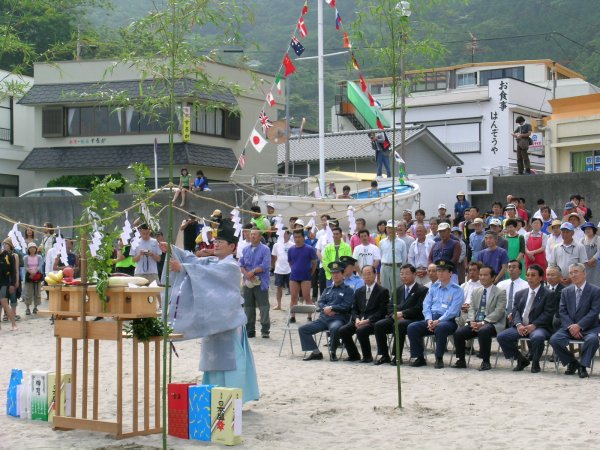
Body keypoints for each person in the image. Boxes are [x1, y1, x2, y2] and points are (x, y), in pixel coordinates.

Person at [163, 220, 259, 403]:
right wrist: (172, 249)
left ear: (232, 246)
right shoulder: (212, 260)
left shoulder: (231, 266)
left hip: (228, 322)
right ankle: (215, 396)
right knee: (212, 361)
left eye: (220, 242)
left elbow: (204, 273)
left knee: (232, 361)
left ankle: (234, 398)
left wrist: (182, 268)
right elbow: (194, 260)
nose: (215, 244)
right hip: (212, 320)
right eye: (215, 241)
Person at [497, 264, 554, 373]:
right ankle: (520, 359)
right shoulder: (520, 293)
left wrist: (534, 325)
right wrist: (518, 324)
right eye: (528, 275)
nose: (530, 278)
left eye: (533, 275)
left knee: (538, 337)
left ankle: (536, 363)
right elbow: (515, 310)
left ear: (541, 278)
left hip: (539, 327)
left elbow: (548, 313)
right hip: (521, 326)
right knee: (502, 337)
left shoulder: (548, 294)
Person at [407, 260, 464, 369]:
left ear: (450, 273)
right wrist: (428, 319)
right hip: (431, 319)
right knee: (412, 327)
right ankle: (419, 357)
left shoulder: (457, 290)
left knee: (441, 328)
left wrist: (438, 321)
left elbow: (453, 311)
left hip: (448, 320)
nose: (440, 273)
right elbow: (426, 305)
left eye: (443, 271)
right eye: (438, 271)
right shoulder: (433, 288)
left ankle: (439, 358)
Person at [549, 263, 600, 378]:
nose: (573, 275)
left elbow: (594, 312)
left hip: (589, 328)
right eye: (571, 273)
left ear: (584, 274)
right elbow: (562, 311)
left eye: (576, 272)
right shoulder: (566, 291)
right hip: (569, 328)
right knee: (554, 340)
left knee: (593, 340)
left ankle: (583, 366)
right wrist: (572, 327)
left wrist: (580, 326)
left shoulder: (595, 291)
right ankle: (572, 362)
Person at [452, 266, 506, 371]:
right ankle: (461, 360)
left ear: (493, 277)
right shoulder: (476, 291)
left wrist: (483, 323)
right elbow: (472, 308)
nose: (482, 277)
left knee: (484, 331)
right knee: (459, 333)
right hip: (476, 322)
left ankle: (485, 361)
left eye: (485, 275)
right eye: (480, 275)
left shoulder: (500, 292)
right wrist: (471, 321)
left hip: (492, 323)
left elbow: (499, 311)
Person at [299, 261, 354, 361]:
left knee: (334, 328)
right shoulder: (327, 289)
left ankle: (332, 352)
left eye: (337, 273)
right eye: (333, 273)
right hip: (324, 319)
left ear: (343, 274)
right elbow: (320, 302)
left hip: (338, 318)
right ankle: (316, 352)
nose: (335, 275)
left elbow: (346, 306)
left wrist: (332, 308)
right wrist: (326, 309)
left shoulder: (348, 290)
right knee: (303, 329)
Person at [373, 264, 427, 365]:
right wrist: (393, 314)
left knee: (399, 325)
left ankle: (397, 356)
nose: (404, 276)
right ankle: (384, 355)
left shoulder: (422, 290)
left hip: (413, 318)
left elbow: (419, 308)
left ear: (414, 274)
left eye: (407, 274)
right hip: (395, 317)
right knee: (379, 325)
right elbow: (389, 305)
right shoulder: (398, 289)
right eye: (401, 274)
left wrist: (403, 313)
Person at [339, 265, 389, 363]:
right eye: (364, 274)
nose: (366, 276)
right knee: (343, 330)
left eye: (369, 274)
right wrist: (357, 319)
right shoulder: (359, 291)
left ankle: (367, 356)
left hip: (374, 321)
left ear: (375, 275)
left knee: (361, 330)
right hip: (359, 320)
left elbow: (382, 311)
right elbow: (354, 309)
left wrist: (367, 321)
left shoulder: (382, 291)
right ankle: (354, 355)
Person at [239, 229, 271, 338]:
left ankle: (265, 330)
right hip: (248, 282)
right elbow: (241, 264)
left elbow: (265, 265)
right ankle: (250, 330)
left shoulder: (265, 249)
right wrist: (246, 273)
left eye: (254, 234)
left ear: (260, 237)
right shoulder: (245, 249)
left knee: (264, 307)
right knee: (248, 307)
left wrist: (252, 272)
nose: (252, 236)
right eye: (251, 234)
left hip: (261, 281)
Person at [287, 229, 318, 320]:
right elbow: (290, 262)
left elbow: (314, 262)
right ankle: (293, 316)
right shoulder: (291, 249)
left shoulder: (309, 249)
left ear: (303, 237)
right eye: (295, 237)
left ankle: (309, 316)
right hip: (294, 276)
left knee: (307, 296)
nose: (297, 239)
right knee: (293, 297)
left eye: (299, 237)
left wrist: (311, 272)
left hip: (306, 276)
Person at [497, 260, 529, 325]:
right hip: (501, 315)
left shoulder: (526, 285)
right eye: (509, 267)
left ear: (520, 271)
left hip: (517, 316)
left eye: (514, 267)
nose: (511, 269)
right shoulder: (500, 284)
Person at [379, 221, 407, 294]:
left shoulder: (401, 242)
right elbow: (381, 255)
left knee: (397, 289)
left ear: (395, 229)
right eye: (388, 228)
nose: (390, 230)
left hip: (396, 267)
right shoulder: (382, 242)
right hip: (385, 267)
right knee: (384, 289)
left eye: (392, 228)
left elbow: (404, 258)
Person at [271, 228, 293, 311]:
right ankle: (279, 304)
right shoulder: (276, 245)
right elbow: (274, 257)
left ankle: (293, 304)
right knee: (278, 288)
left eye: (285, 233)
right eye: (281, 233)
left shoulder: (292, 245)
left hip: (290, 269)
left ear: (288, 234)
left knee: (292, 288)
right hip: (279, 269)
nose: (283, 235)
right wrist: (274, 267)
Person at [0, 238, 18, 331]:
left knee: (4, 302)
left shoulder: (7, 256)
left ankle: (14, 324)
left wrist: (12, 284)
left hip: (4, 283)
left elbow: (13, 271)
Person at [458, 261, 482, 327]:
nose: (471, 272)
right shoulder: (463, 286)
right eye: (470, 270)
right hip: (461, 311)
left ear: (480, 271)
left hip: (475, 313)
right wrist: (461, 306)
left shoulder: (483, 286)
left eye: (474, 270)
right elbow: (456, 301)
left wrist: (470, 308)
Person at [22, 242, 43, 315]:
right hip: (29, 275)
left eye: (34, 247)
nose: (32, 249)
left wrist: (35, 272)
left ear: (36, 249)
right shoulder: (25, 257)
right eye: (31, 248)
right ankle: (27, 308)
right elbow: (25, 266)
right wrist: (31, 272)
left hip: (37, 275)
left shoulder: (39, 257)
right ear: (28, 249)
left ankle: (35, 307)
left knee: (37, 292)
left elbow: (40, 265)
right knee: (28, 292)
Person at [580, 222, 600, 286]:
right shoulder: (582, 240)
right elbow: (579, 251)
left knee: (596, 281)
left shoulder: (598, 239)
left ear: (593, 230)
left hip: (595, 264)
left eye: (589, 229)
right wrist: (585, 261)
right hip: (585, 264)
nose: (587, 230)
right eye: (586, 229)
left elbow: (599, 251)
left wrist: (593, 260)